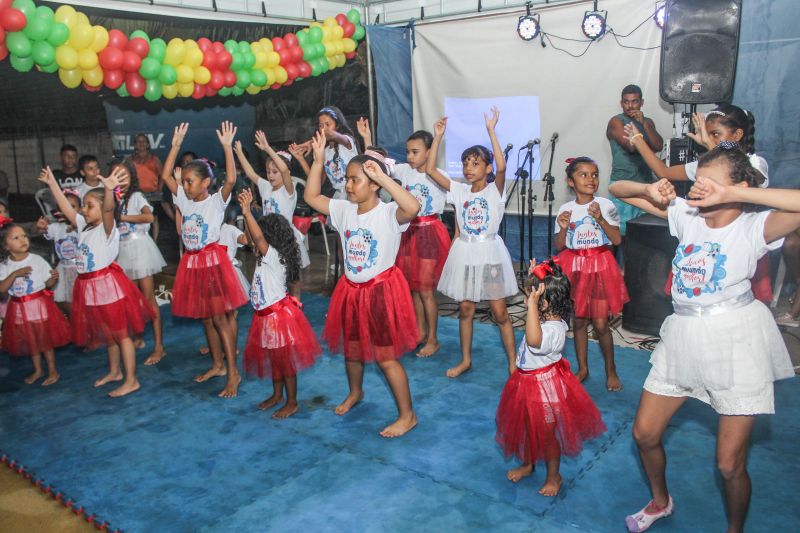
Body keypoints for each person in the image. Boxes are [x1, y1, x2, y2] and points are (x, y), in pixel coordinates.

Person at [608, 144, 796, 533]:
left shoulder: (753, 226)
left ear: (739, 186)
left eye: (711, 182)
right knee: (644, 433)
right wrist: (652, 190)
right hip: (684, 335)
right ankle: (661, 502)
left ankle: (734, 529)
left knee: (729, 464)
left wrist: (738, 195)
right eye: (698, 181)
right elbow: (617, 189)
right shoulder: (686, 215)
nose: (698, 188)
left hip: (735, 340)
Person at [304, 130, 420, 438]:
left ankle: (407, 415)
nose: (348, 184)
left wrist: (383, 178)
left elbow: (413, 207)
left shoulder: (388, 213)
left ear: (374, 183)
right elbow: (312, 197)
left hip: (381, 293)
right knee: (352, 349)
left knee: (385, 357)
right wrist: (317, 162)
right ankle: (356, 392)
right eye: (348, 179)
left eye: (355, 179)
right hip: (351, 293)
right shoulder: (343, 210)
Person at [625, 105, 775, 306]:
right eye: (708, 134)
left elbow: (749, 178)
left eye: (715, 134)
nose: (709, 139)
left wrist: (711, 146)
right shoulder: (703, 166)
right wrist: (638, 140)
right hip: (704, 247)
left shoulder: (755, 163)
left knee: (738, 307)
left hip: (737, 249)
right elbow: (663, 171)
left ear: (737, 134)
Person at [39, 166, 153, 398]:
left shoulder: (107, 229)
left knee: (121, 335)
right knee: (107, 334)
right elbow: (64, 207)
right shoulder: (83, 225)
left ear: (103, 210)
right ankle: (115, 372)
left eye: (90, 205)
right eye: (84, 205)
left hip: (107, 287)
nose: (83, 209)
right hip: (89, 287)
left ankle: (132, 380)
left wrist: (109, 191)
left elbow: (110, 209)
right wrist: (52, 185)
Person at [495, 259, 605, 496]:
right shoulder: (544, 315)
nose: (526, 302)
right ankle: (528, 463)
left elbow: (534, 341)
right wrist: (535, 278)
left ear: (544, 303)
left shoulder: (554, 329)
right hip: (525, 383)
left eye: (531, 299)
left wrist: (532, 306)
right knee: (526, 427)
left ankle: (554, 476)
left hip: (545, 390)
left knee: (546, 436)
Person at [425, 109, 518, 378]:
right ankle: (465, 360)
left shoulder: (494, 190)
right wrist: (438, 136)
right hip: (465, 253)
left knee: (500, 312)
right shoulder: (459, 190)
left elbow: (502, 167)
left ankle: (513, 362)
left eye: (475, 163)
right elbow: (431, 169)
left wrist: (491, 131)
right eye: (466, 163)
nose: (468, 168)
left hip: (489, 254)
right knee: (465, 309)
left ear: (486, 169)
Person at [161, 122, 249, 398]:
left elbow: (232, 180)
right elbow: (165, 176)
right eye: (184, 181)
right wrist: (175, 146)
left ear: (206, 182)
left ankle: (233, 373)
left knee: (220, 319)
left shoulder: (214, 202)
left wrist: (226, 147)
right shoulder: (185, 201)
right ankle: (217, 365)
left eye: (190, 181)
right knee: (206, 319)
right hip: (192, 264)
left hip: (212, 263)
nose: (185, 185)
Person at [357, 121, 450, 357]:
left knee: (426, 290)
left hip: (429, 234)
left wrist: (438, 136)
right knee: (414, 288)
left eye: (415, 152)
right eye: (408, 151)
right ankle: (419, 332)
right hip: (407, 231)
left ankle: (433, 339)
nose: (409, 156)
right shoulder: (403, 171)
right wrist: (367, 139)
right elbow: (375, 166)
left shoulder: (439, 176)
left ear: (429, 152)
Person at [238, 189, 322, 418]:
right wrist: (248, 217)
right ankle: (277, 395)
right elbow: (253, 238)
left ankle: (292, 401)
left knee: (284, 363)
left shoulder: (273, 255)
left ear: (270, 238)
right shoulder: (266, 255)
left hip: (277, 319)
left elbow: (256, 237)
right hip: (264, 317)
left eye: (263, 237)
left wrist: (246, 212)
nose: (258, 242)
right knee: (274, 360)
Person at [554, 157, 627, 391]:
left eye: (594, 174)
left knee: (601, 323)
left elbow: (616, 239)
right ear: (570, 181)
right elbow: (559, 246)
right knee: (579, 320)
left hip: (600, 266)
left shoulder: (606, 205)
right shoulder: (565, 209)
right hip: (574, 266)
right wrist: (563, 228)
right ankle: (583, 368)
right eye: (583, 175)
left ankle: (611, 369)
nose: (591, 179)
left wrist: (600, 219)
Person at [0, 219, 70, 386]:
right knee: (31, 340)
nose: (23, 240)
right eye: (15, 238)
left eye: (24, 236)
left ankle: (53, 370)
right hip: (18, 307)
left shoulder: (36, 259)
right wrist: (15, 274)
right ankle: (38, 369)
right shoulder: (4, 265)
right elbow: (2, 289)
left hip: (37, 305)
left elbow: (48, 284)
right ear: (5, 245)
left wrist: (53, 279)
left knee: (43, 339)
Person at [113, 158, 168, 366]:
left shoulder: (136, 196)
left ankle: (159, 347)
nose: (121, 180)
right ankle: (137, 337)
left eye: (125, 175)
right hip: (121, 253)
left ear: (132, 177)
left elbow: (149, 218)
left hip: (140, 251)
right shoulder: (112, 199)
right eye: (117, 176)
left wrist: (124, 218)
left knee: (149, 299)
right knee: (130, 300)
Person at [235, 130, 310, 275]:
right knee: (272, 273)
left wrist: (268, 148)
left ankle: (294, 298)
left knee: (293, 278)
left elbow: (284, 171)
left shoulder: (288, 190)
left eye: (275, 172)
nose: (270, 175)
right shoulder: (265, 187)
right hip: (268, 238)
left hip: (285, 238)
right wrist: (239, 153)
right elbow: (251, 174)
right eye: (268, 171)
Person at [606, 84, 663, 237]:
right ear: (621, 103)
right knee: (618, 235)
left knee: (643, 235)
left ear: (641, 102)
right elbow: (630, 146)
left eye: (635, 101)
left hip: (646, 185)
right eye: (626, 102)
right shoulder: (616, 121)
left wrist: (644, 124)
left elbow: (658, 145)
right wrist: (639, 135)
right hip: (622, 185)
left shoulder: (647, 121)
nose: (630, 106)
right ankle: (614, 262)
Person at [35, 190, 81, 317]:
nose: (67, 210)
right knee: (64, 299)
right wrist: (41, 227)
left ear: (80, 209)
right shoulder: (56, 227)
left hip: (80, 269)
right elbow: (43, 231)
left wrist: (76, 226)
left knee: (81, 299)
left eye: (72, 207)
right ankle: (73, 321)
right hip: (63, 268)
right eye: (64, 206)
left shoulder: (82, 226)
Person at [130, 133, 163, 241]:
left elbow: (163, 175)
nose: (141, 144)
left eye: (144, 141)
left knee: (154, 218)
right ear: (135, 145)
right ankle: (142, 240)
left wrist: (159, 189)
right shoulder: (130, 160)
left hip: (153, 193)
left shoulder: (154, 159)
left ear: (148, 144)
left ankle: (155, 241)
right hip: (136, 194)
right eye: (138, 142)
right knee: (140, 218)